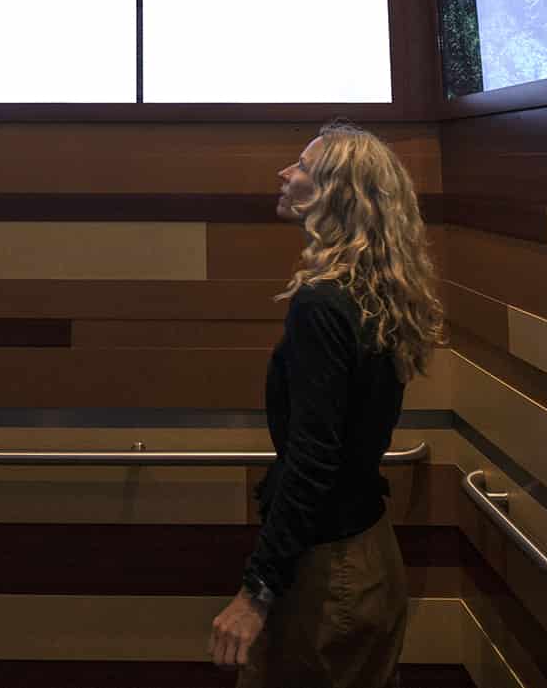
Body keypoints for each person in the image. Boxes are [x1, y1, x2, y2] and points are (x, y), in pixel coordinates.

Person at [208, 121, 445, 686]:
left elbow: (313, 461)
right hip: (368, 552)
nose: (284, 173)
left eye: (302, 166)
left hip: (331, 573)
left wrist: (257, 592)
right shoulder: (373, 293)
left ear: (336, 193)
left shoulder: (322, 304)